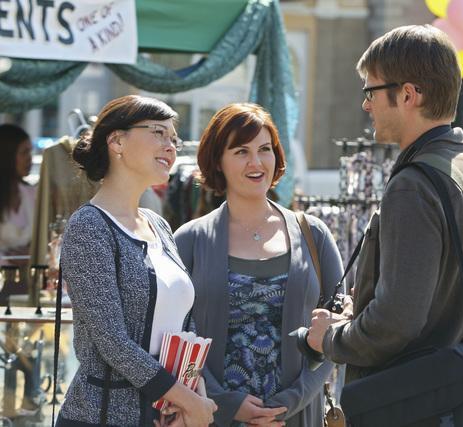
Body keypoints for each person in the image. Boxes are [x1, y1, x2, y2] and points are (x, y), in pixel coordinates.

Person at [306, 25, 463, 383]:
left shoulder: (414, 186)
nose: (365, 104)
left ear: (408, 95)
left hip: (411, 403)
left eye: (370, 90)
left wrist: (330, 337)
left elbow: (396, 324)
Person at [175, 103, 343, 427]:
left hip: (296, 415)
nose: (256, 162)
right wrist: (224, 402)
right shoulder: (189, 240)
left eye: (265, 149)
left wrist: (292, 400)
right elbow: (176, 333)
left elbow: (339, 332)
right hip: (213, 416)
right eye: (241, 151)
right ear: (218, 162)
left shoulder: (314, 235)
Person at [58, 95, 217, 426]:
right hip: (101, 417)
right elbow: (113, 342)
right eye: (158, 132)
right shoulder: (89, 226)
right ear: (116, 140)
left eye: (173, 138)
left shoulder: (158, 225)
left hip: (164, 413)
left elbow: (184, 323)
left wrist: (191, 391)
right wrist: (187, 400)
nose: (170, 146)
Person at [0, 124, 35, 266]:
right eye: (24, 152)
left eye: (30, 152)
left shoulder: (34, 194)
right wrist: (8, 259)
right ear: (7, 155)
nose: (30, 159)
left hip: (27, 282)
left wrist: (31, 253)